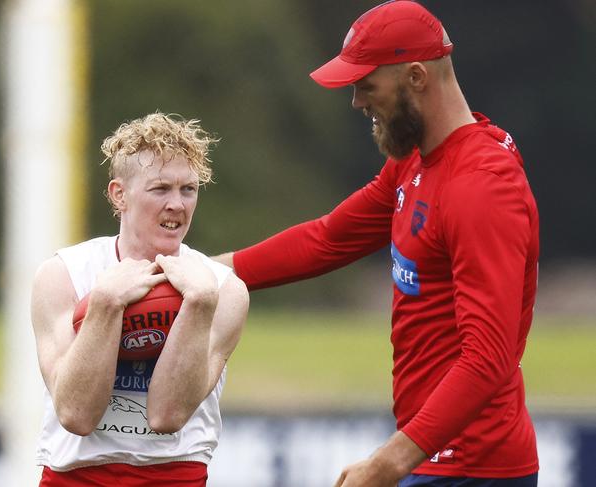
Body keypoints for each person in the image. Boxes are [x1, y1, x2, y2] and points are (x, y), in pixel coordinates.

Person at [214, 1, 539, 486]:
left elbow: (486, 357)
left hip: (475, 470)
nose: (357, 102)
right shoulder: (416, 161)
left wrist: (388, 462)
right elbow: (327, 239)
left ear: (415, 77)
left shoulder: (480, 186)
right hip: (434, 458)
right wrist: (198, 274)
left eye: (366, 86)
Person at [31, 112, 249, 486]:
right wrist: (105, 304)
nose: (177, 205)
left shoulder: (222, 289)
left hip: (174, 476)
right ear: (120, 194)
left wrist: (198, 304)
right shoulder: (64, 274)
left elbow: (166, 416)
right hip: (75, 478)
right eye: (160, 189)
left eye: (189, 189)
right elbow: (76, 414)